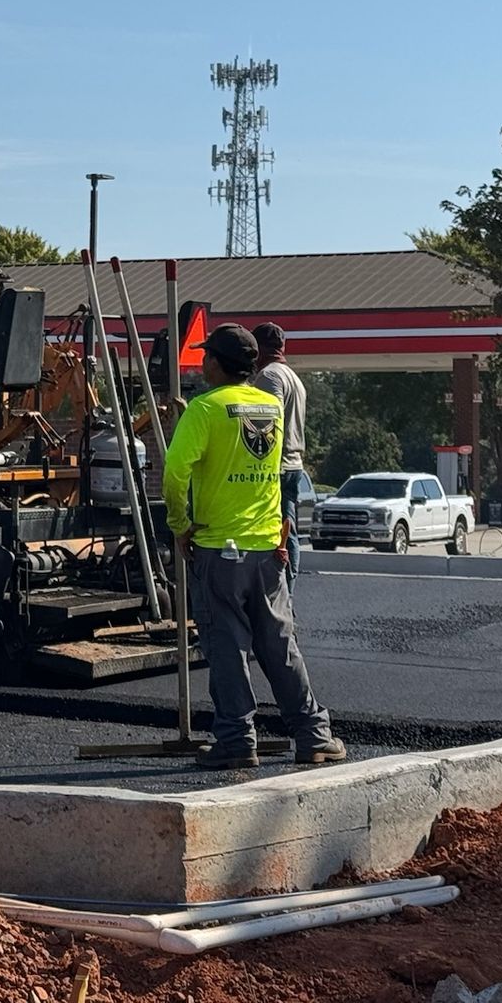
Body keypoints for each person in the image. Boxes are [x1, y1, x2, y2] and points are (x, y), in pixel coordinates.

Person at [162, 322, 344, 770]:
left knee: (226, 647)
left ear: (218, 363)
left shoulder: (204, 410)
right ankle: (313, 736)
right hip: (266, 548)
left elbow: (173, 474)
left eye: (207, 356)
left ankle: (237, 741)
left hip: (218, 547)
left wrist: (179, 525)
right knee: (279, 644)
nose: (202, 362)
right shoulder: (269, 407)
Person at [250, 321, 308, 591]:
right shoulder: (293, 378)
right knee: (289, 526)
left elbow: (266, 421)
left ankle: (284, 591)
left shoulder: (269, 377)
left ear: (258, 349)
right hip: (295, 463)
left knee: (278, 530)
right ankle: (289, 586)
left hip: (278, 466)